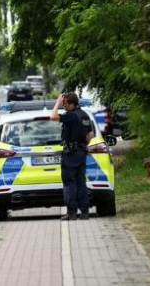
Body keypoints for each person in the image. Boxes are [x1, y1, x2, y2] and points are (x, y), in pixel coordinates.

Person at [50, 92, 94, 221]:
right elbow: (90, 135)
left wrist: (57, 102)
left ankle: (72, 213)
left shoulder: (71, 116)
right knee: (81, 182)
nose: (63, 106)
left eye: (65, 104)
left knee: (69, 182)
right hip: (81, 152)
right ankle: (85, 212)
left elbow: (53, 116)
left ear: (71, 104)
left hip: (71, 154)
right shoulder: (85, 115)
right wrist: (82, 144)